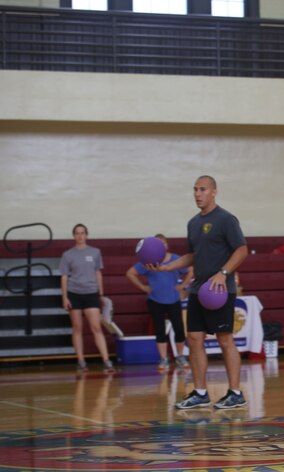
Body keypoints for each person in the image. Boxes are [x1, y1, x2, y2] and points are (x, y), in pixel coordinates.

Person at [154, 175, 249, 410]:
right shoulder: (193, 223)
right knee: (194, 339)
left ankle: (236, 393)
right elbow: (192, 256)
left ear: (214, 192)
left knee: (224, 339)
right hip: (198, 289)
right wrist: (167, 267)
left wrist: (223, 273)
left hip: (219, 290)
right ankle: (200, 392)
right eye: (195, 189)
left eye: (203, 189)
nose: (198, 194)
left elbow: (242, 250)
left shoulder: (226, 219)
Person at [125, 234, 193, 370]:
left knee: (179, 329)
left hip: (173, 299)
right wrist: (143, 287)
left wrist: (183, 286)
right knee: (160, 330)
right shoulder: (148, 261)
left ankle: (180, 356)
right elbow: (130, 273)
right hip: (156, 300)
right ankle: (163, 359)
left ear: (167, 245)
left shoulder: (175, 259)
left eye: (163, 243)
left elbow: (191, 269)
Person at [59, 223, 115, 373]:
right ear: (74, 236)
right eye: (77, 233)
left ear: (86, 235)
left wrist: (101, 293)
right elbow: (64, 277)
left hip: (91, 293)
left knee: (96, 327)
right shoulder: (67, 254)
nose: (80, 236)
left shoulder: (95, 252)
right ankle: (81, 361)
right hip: (74, 293)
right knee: (77, 328)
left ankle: (106, 360)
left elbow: (98, 272)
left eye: (82, 233)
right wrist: (65, 297)